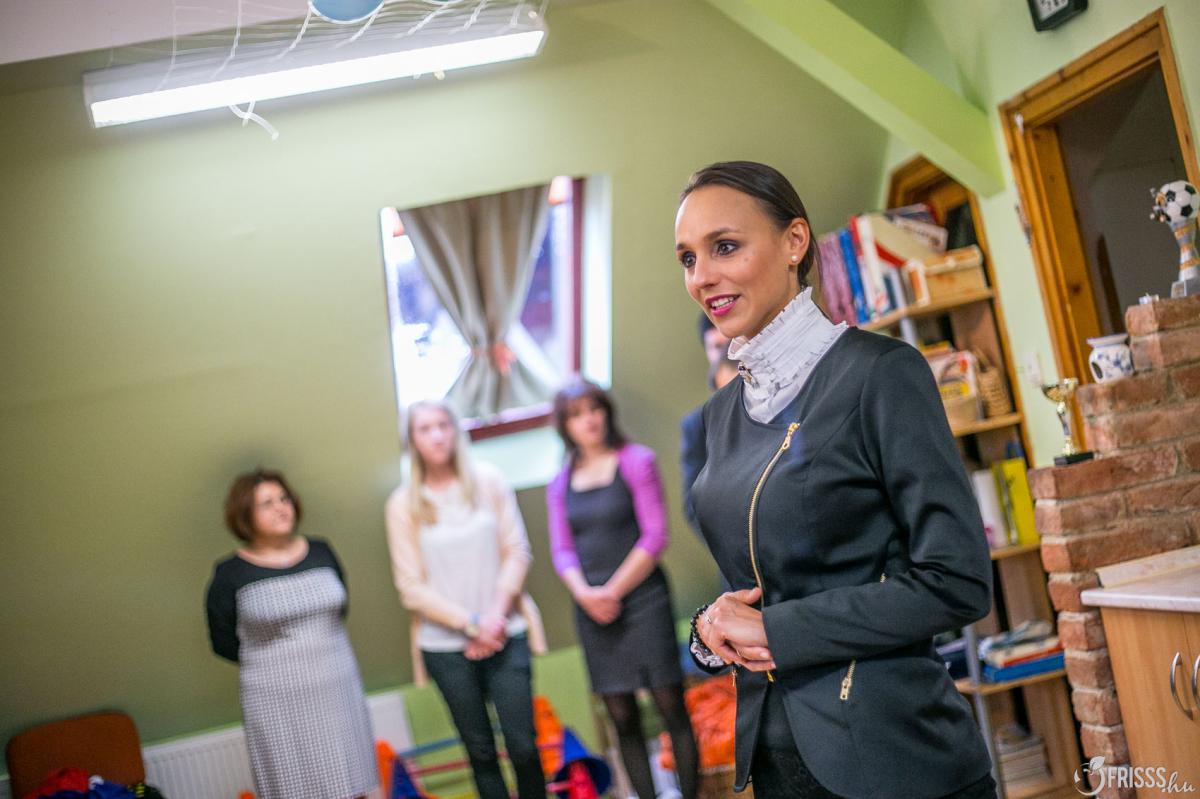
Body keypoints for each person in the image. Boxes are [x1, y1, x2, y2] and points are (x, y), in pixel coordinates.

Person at [673, 161, 996, 799]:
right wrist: (711, 627)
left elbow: (957, 581)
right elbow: (753, 581)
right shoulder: (718, 416)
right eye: (687, 258)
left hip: (894, 756)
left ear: (795, 242)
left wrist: (779, 631)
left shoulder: (881, 375)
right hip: (777, 762)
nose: (701, 276)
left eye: (725, 247)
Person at [385, 400, 547, 799]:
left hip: (506, 632)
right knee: (481, 753)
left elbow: (517, 551)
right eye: (425, 429)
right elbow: (410, 587)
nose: (437, 435)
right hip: (446, 647)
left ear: (456, 431)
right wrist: (472, 625)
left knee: (523, 746)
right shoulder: (402, 504)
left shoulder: (488, 480)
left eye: (443, 425)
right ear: (411, 440)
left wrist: (493, 620)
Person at [545, 380, 699, 799]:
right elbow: (562, 551)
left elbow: (654, 536)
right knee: (622, 716)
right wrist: (586, 594)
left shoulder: (637, 461)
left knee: (670, 705)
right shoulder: (559, 483)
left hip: (644, 601)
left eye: (594, 409)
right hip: (593, 612)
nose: (588, 420)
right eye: (577, 414)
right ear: (565, 426)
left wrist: (612, 591)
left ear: (606, 412)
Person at [205, 469, 378, 799]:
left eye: (284, 499)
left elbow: (339, 610)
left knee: (351, 778)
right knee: (295, 785)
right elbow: (223, 640)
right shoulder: (230, 573)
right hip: (275, 700)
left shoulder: (321, 551)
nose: (280, 508)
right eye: (266, 503)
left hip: (338, 688)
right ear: (244, 515)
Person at [680, 314, 731, 531]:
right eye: (717, 347)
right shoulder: (696, 425)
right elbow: (695, 504)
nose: (728, 353)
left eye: (731, 343)